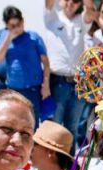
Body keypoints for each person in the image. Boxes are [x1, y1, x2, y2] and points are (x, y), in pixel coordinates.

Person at [43, 0, 95, 139]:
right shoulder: (53, 17)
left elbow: (90, 10)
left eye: (76, 1)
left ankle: (68, 161)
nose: (71, 3)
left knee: (72, 127)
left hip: (78, 82)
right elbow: (48, 3)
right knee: (54, 127)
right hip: (57, 81)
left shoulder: (81, 21)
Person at [0, 7, 51, 123]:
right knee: (15, 122)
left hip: (33, 90)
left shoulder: (33, 37)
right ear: (7, 25)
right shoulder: (5, 38)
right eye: (12, 26)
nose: (17, 28)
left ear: (23, 21)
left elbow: (46, 63)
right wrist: (9, 37)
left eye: (18, 24)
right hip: (14, 90)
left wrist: (46, 85)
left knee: (32, 123)